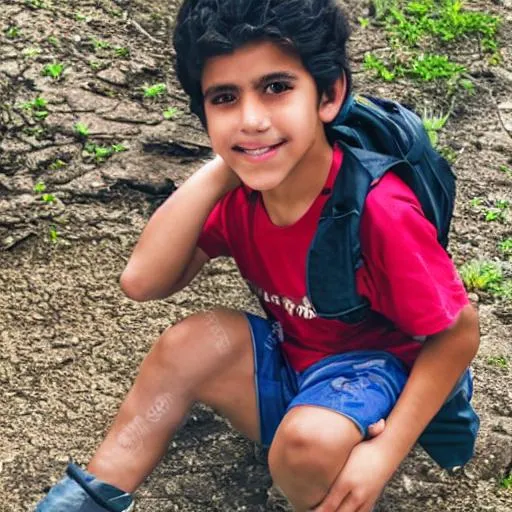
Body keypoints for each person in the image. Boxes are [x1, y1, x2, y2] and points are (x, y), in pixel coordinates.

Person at [35, 1, 480, 511]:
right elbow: (143, 281)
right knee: (189, 344)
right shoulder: (240, 194)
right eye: (224, 98)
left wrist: (385, 452)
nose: (251, 119)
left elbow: (458, 330)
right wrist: (223, 166)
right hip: (299, 356)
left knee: (307, 444)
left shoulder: (377, 208)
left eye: (276, 87)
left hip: (380, 372)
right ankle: (90, 498)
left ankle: (330, 478)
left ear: (329, 94)